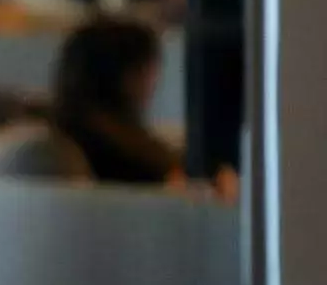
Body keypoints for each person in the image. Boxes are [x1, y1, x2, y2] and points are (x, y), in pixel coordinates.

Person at [52, 13, 232, 199]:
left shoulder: (64, 132)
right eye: (150, 70)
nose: (155, 82)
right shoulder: (128, 157)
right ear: (130, 76)